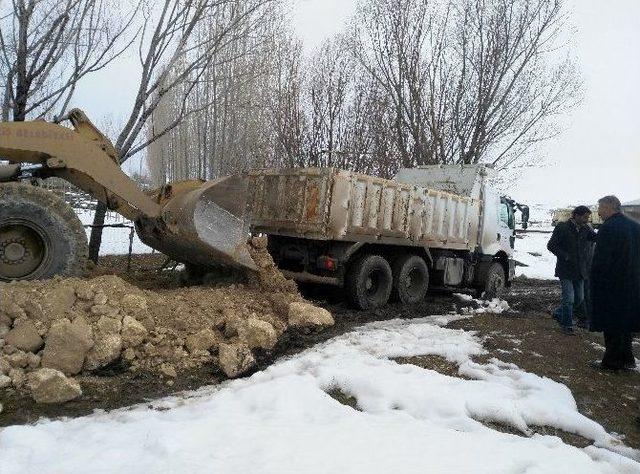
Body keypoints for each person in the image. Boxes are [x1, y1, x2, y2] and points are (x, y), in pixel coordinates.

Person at [590, 195, 640, 371]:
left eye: (600, 207)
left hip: (612, 284)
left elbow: (602, 260)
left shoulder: (609, 227)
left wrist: (595, 279)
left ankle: (612, 362)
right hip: (633, 283)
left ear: (610, 207)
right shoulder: (635, 226)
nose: (598, 212)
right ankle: (627, 359)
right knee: (625, 322)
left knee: (611, 322)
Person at [547, 205, 597, 334]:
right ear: (577, 215)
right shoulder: (562, 227)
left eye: (588, 217)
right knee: (569, 298)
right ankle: (567, 325)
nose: (587, 220)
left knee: (579, 299)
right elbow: (551, 245)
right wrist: (565, 256)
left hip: (580, 270)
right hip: (566, 269)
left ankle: (558, 313)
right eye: (585, 217)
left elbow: (596, 238)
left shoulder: (586, 229)